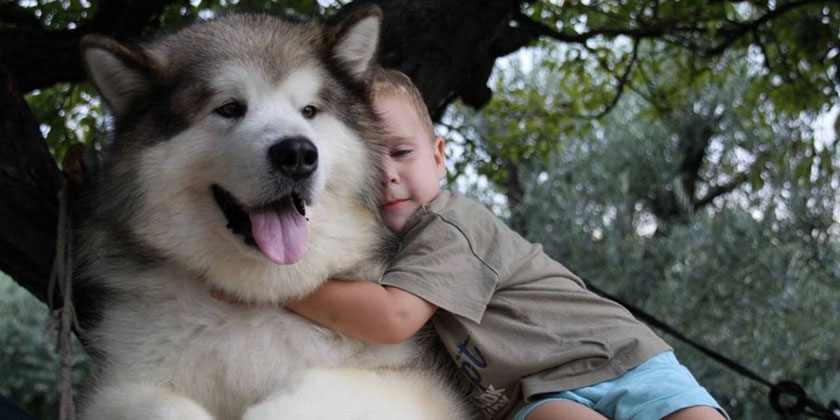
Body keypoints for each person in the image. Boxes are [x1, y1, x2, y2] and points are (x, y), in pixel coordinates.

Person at [285, 68, 729, 420]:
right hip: (534, 396)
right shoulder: (372, 251)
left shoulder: (449, 222)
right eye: (366, 159)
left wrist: (282, 286)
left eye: (401, 152)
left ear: (439, 158)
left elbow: (392, 317)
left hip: (615, 359)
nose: (386, 174)